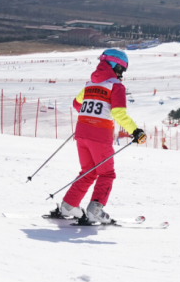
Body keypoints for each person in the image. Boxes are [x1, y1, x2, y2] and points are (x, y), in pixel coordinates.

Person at [54, 49, 146, 224]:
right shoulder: (116, 86)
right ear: (116, 66)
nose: (122, 74)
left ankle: (68, 206)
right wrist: (136, 131)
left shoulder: (90, 84)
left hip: (81, 133)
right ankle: (94, 211)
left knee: (88, 171)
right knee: (107, 174)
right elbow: (118, 114)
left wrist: (90, 114)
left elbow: (76, 103)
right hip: (99, 135)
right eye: (122, 70)